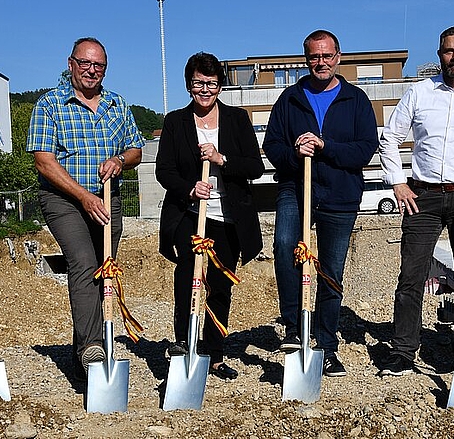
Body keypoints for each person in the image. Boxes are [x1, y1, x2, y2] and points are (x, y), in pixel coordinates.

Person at [378, 26, 454, 376]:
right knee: (411, 276)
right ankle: (403, 350)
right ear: (439, 55)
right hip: (423, 196)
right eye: (449, 51)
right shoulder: (418, 93)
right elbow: (389, 139)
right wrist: (398, 183)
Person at [26, 37, 144, 380]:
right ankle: (93, 345)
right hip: (64, 199)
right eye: (85, 63)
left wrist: (121, 159)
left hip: (108, 198)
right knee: (83, 262)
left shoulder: (117, 104)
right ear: (71, 63)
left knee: (104, 268)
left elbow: (135, 148)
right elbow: (44, 162)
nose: (92, 70)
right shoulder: (49, 105)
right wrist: (83, 196)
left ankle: (85, 352)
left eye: (99, 65)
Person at [262, 29, 378, 377]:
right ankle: (295, 326)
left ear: (338, 57)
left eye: (327, 56)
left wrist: (325, 146)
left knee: (330, 270)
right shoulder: (290, 98)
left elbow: (364, 149)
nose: (321, 62)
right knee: (284, 245)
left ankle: (326, 345)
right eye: (314, 57)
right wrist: (295, 153)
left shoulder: (356, 100)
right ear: (306, 59)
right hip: (296, 188)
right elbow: (272, 146)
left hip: (340, 193)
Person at [156, 52, 264, 380]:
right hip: (189, 215)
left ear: (220, 85)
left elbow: (255, 167)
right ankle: (184, 344)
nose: (205, 90)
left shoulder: (237, 119)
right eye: (199, 83)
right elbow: (164, 170)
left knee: (219, 287)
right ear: (189, 84)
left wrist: (222, 158)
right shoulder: (175, 122)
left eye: (212, 83)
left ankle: (215, 354)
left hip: (227, 218)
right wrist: (190, 189)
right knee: (188, 281)